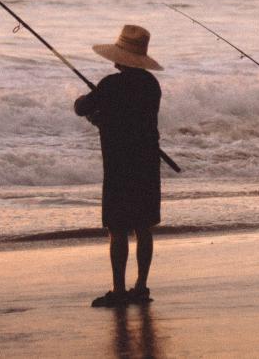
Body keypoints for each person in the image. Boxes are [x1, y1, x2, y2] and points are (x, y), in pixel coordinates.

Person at [74, 25, 164, 308]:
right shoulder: (152, 85)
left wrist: (98, 116)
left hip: (119, 165)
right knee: (143, 227)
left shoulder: (110, 85)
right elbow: (134, 119)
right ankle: (141, 287)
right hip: (147, 163)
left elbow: (81, 107)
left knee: (117, 228)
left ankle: (118, 289)